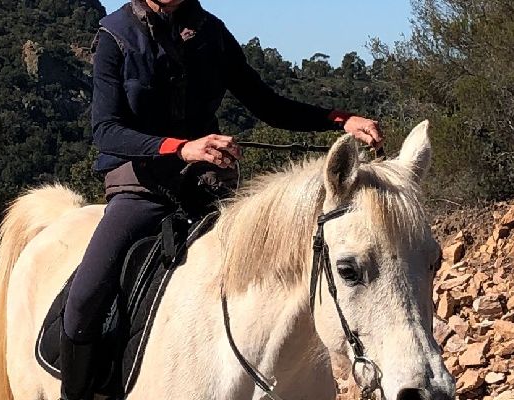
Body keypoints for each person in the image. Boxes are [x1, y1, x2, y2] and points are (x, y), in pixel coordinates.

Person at [58, 0, 384, 397]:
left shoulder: (212, 33)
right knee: (85, 299)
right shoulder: (115, 35)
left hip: (205, 188)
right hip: (139, 189)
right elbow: (106, 131)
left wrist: (340, 119)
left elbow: (267, 104)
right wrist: (180, 148)